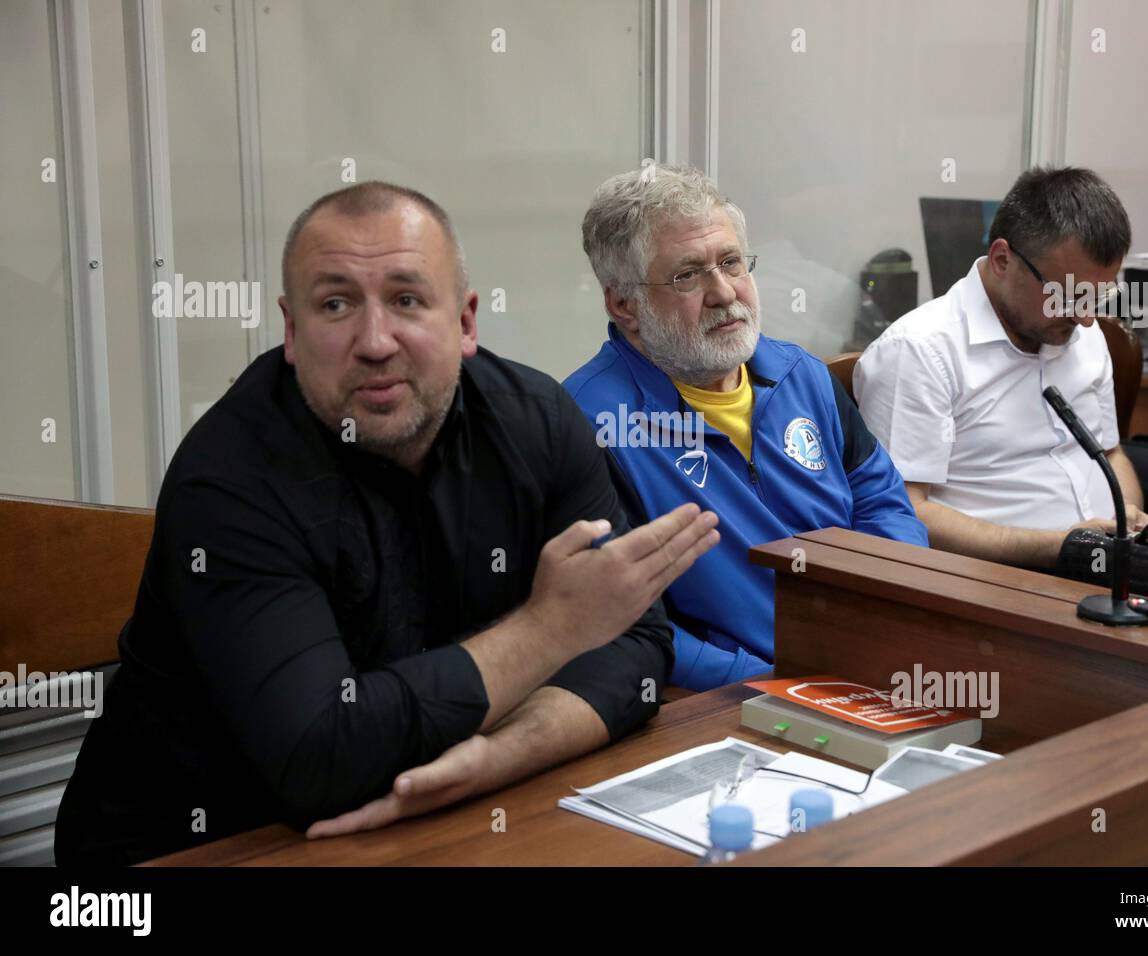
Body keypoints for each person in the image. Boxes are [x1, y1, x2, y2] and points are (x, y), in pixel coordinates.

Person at [55, 182, 718, 865]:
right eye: (335, 304)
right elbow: (320, 758)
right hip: (206, 848)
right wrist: (551, 628)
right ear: (290, 330)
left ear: (465, 322)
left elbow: (635, 645)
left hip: (443, 818)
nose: (374, 342)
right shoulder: (228, 479)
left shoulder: (537, 420)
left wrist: (492, 758)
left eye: (406, 299)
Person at [564, 164, 927, 692]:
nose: (724, 292)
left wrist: (882, 616)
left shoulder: (802, 376)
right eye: (688, 275)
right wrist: (779, 683)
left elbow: (882, 501)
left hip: (872, 661)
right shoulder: (592, 424)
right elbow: (624, 624)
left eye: (731, 262)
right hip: (730, 700)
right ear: (625, 305)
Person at [855, 166, 1148, 569]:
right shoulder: (920, 352)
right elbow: (904, 511)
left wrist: (1127, 523)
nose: (1084, 318)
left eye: (1097, 297)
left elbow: (1111, 453)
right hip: (999, 585)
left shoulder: (1084, 332)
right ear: (1001, 259)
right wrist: (1058, 544)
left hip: (1108, 568)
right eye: (1066, 296)